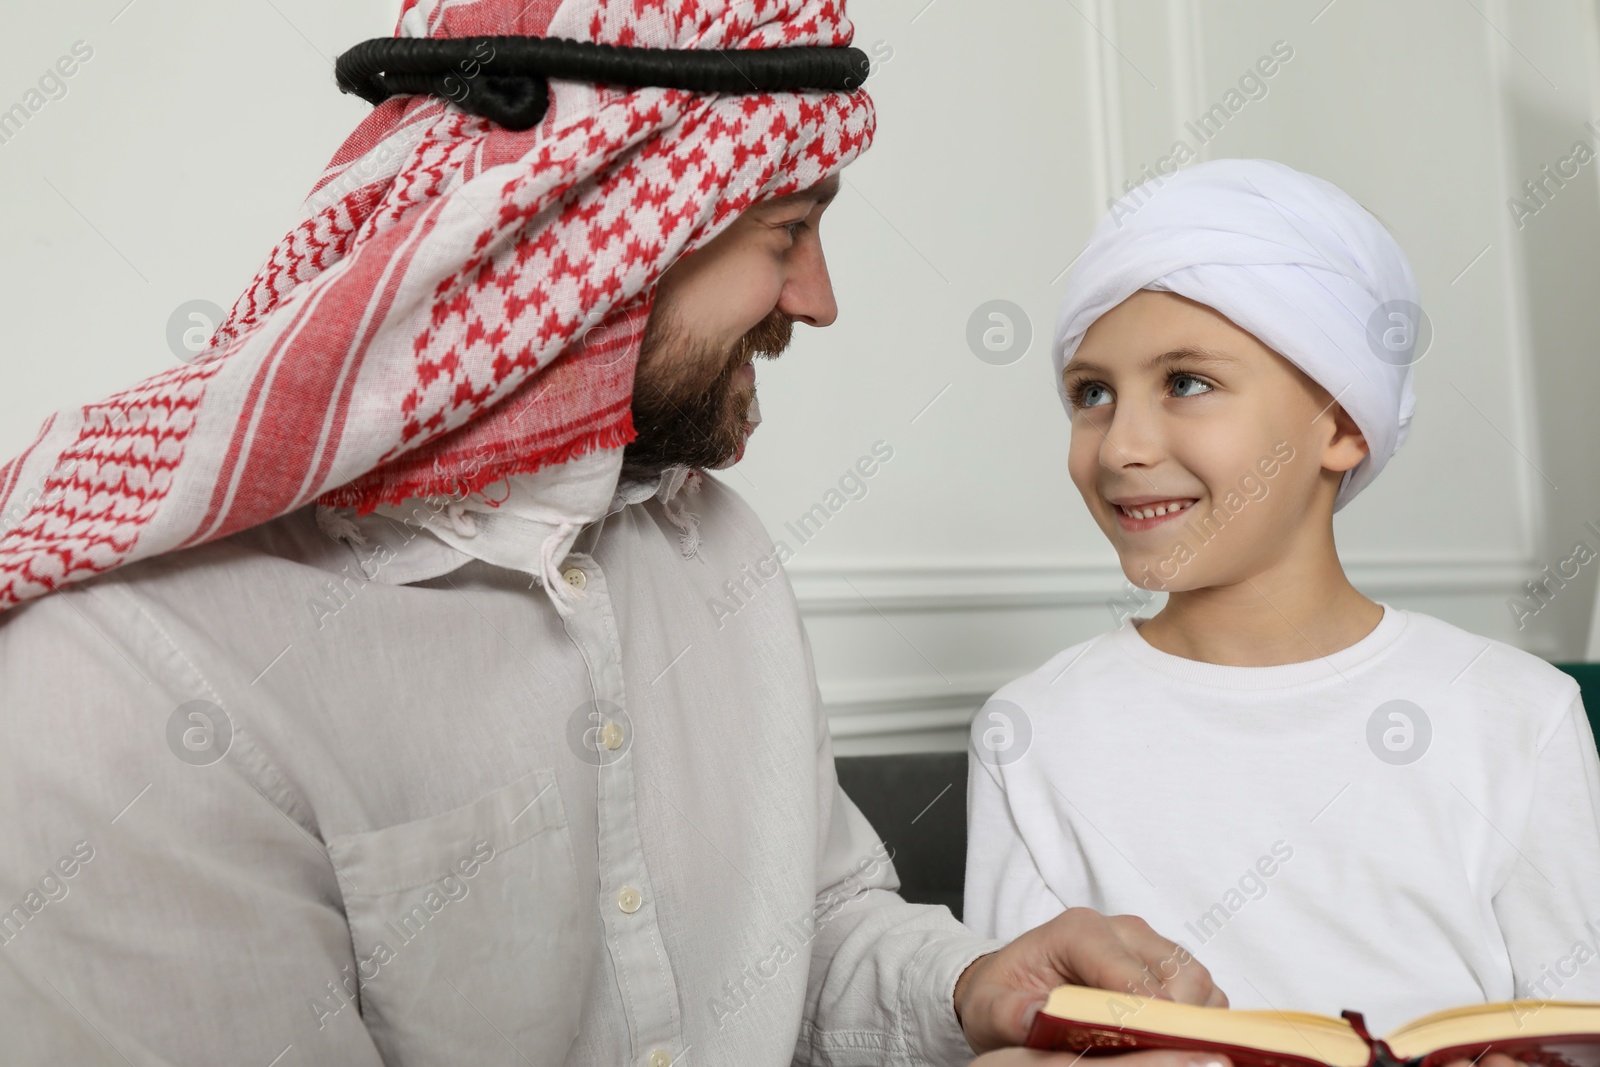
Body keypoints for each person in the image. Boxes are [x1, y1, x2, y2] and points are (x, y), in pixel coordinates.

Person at [0, 1, 1232, 1064]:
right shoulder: (120, 690)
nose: (818, 298)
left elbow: (810, 931)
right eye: (785, 234)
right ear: (582, 226)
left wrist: (972, 988)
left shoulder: (716, 555)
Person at [962, 157, 1600, 1033]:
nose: (1121, 447)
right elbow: (1023, 1031)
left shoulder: (1519, 715)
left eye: (1186, 382)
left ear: (1340, 423)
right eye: (1092, 394)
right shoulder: (1030, 732)